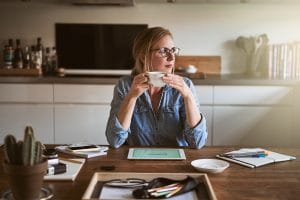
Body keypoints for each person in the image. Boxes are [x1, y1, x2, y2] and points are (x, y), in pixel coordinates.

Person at [105, 26, 208, 149]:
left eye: (173, 50)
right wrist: (131, 97)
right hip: (136, 161)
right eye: (164, 51)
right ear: (143, 57)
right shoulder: (125, 86)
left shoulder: (186, 85)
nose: (172, 57)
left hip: (177, 161)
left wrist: (188, 96)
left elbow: (198, 142)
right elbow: (115, 141)